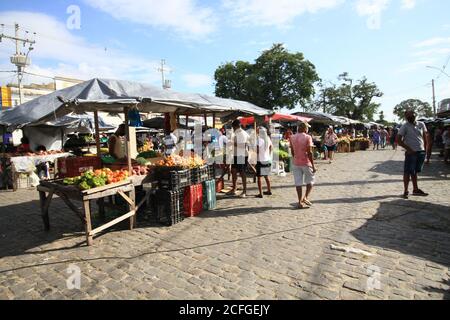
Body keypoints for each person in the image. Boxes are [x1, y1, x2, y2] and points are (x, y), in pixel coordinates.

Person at [397, 110, 429, 199]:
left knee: (415, 171)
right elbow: (398, 140)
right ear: (406, 117)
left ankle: (415, 189)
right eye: (408, 116)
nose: (411, 116)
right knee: (407, 171)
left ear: (415, 115)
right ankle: (406, 190)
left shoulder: (421, 124)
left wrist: (425, 151)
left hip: (420, 152)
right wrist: (409, 149)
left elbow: (425, 138)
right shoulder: (404, 126)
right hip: (411, 153)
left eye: (412, 115)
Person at [290, 121, 317, 209]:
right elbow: (309, 152)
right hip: (306, 162)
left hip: (296, 162)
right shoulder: (308, 137)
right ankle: (305, 197)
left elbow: (293, 152)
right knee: (310, 181)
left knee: (298, 183)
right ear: (305, 128)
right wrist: (313, 165)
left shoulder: (292, 137)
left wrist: (296, 158)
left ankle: (299, 201)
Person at [228, 119, 249, 198]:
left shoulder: (243, 134)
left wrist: (233, 143)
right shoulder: (236, 133)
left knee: (242, 173)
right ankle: (234, 189)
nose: (233, 129)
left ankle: (244, 191)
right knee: (233, 171)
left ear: (236, 126)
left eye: (233, 127)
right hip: (236, 155)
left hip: (241, 155)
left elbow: (243, 146)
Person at [256, 126, 273, 198]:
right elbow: (271, 147)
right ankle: (269, 190)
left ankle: (261, 193)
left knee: (259, 178)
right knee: (266, 176)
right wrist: (268, 154)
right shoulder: (268, 139)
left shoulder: (259, 140)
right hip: (267, 160)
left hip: (260, 160)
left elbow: (257, 151)